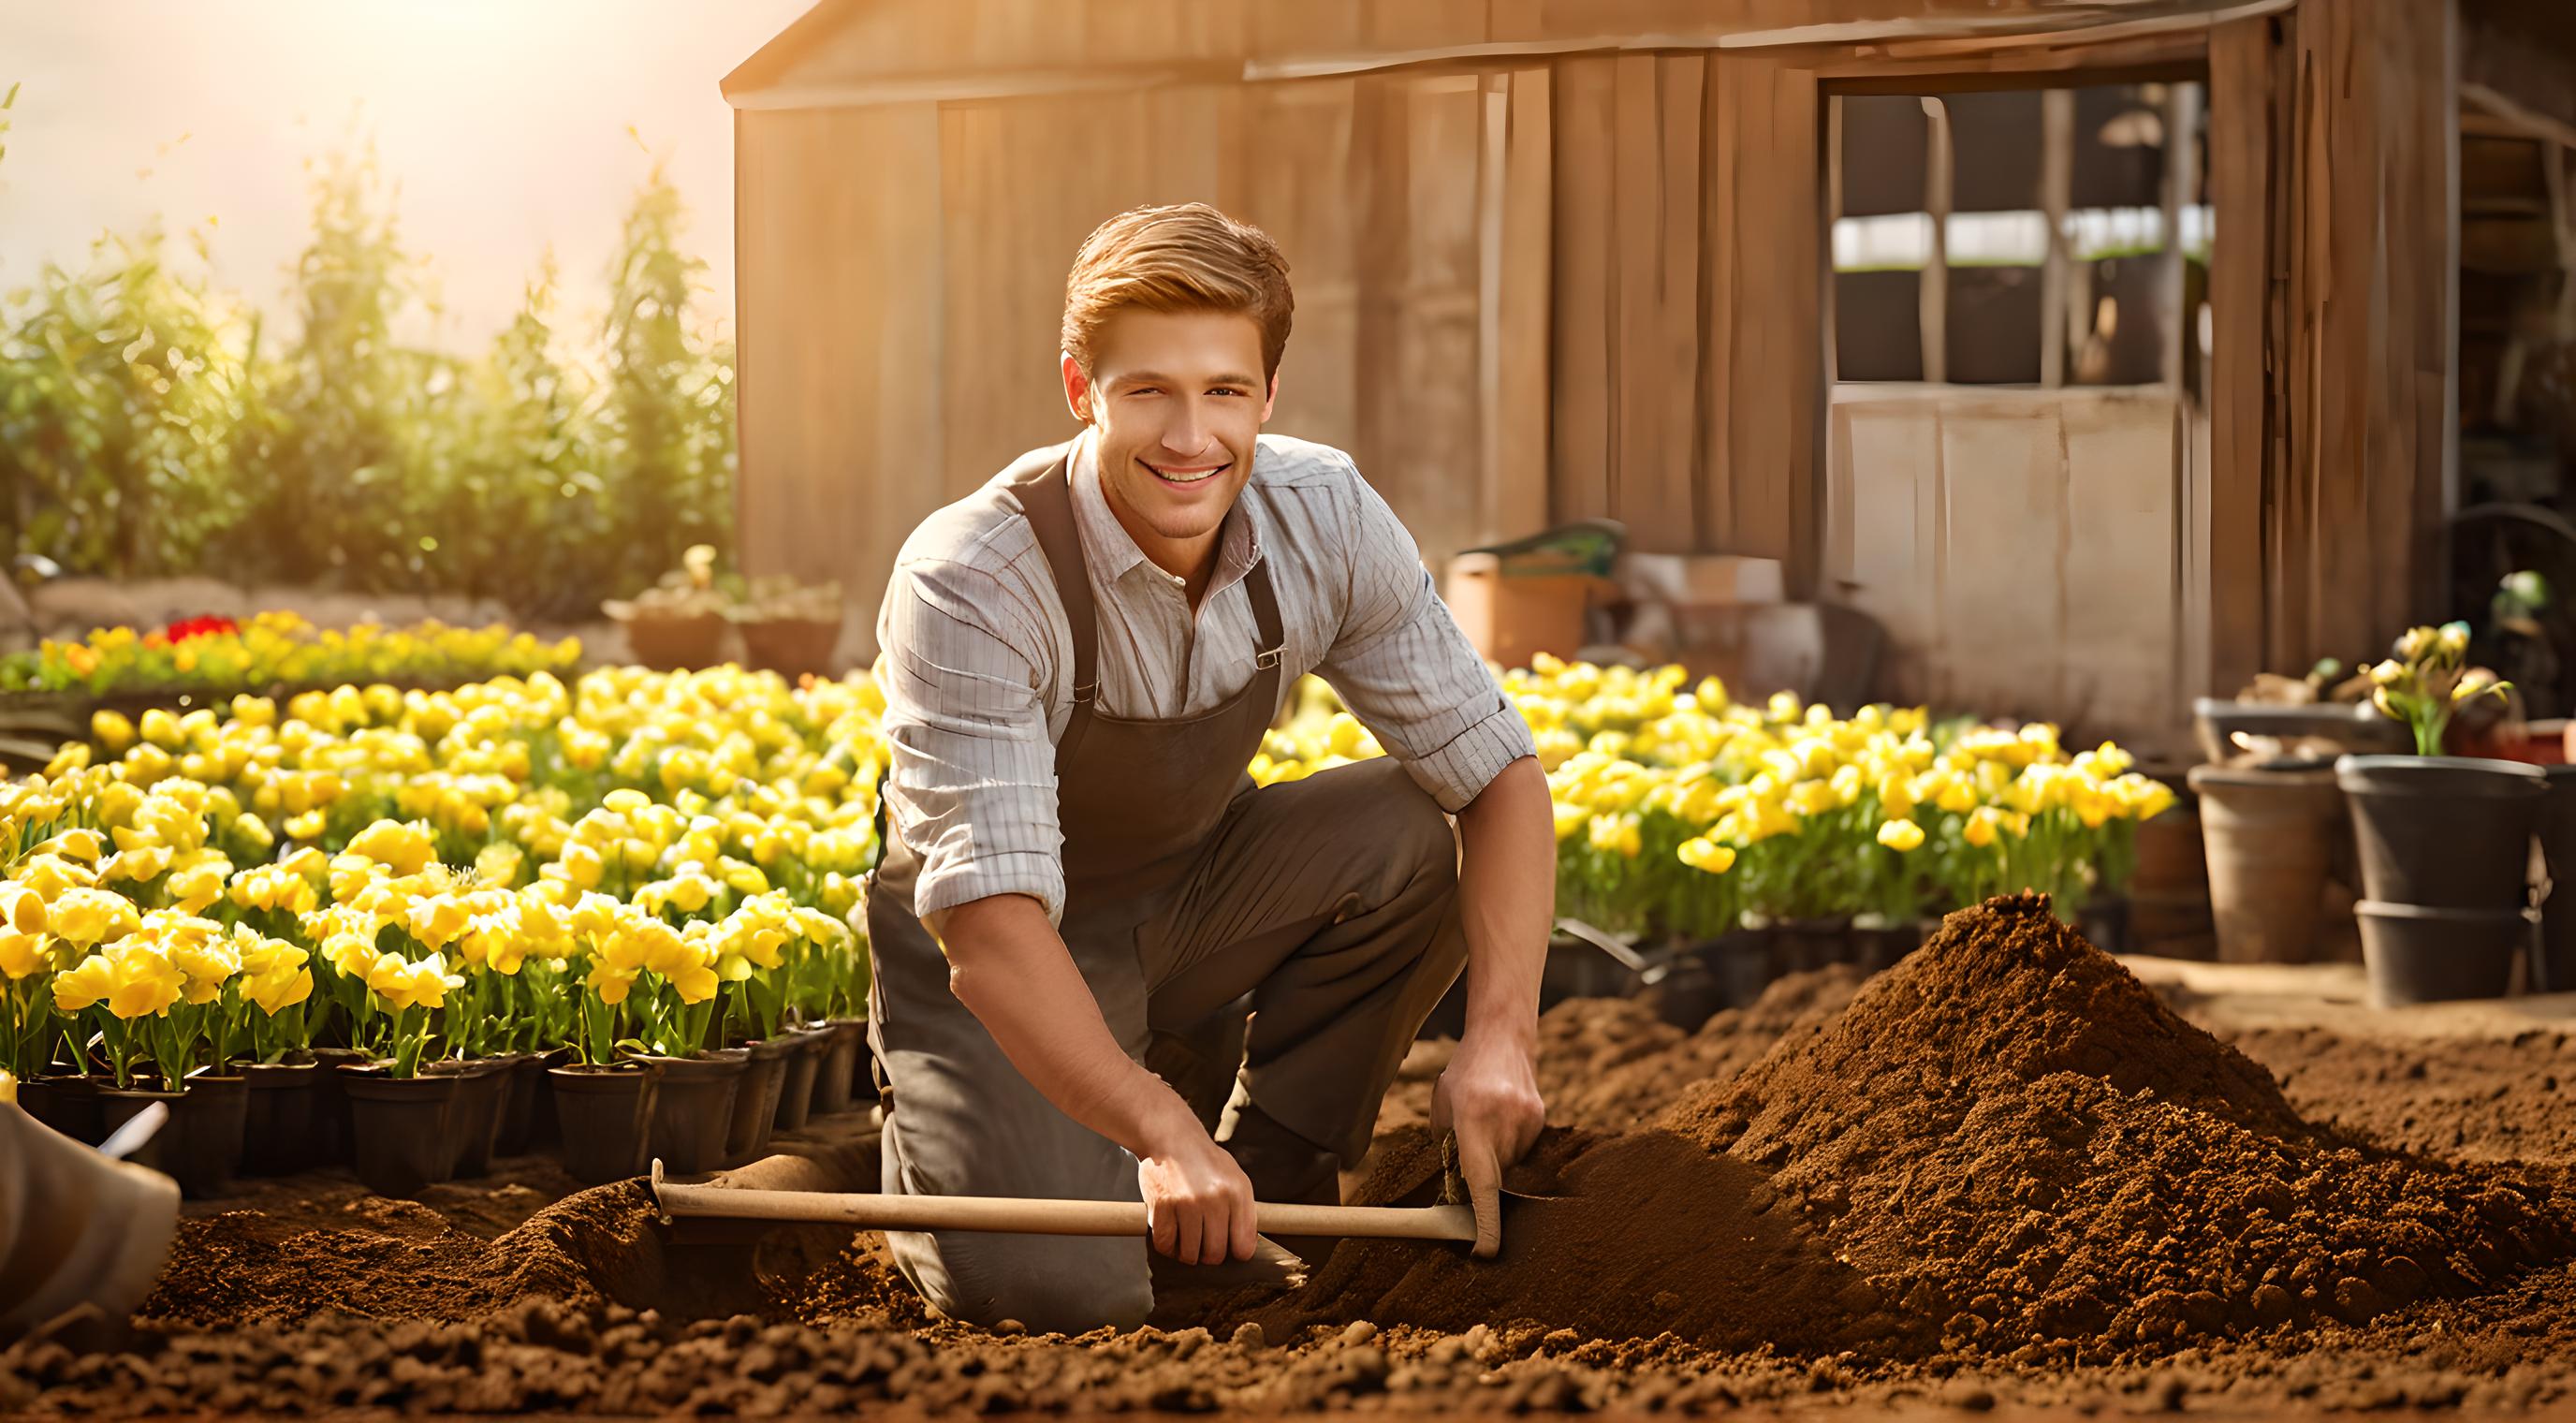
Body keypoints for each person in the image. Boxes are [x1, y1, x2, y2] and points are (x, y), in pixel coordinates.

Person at [866, 202, 1552, 1333]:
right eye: (1149, 392)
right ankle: (951, 1135)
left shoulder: (1322, 512)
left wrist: (1501, 1041)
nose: (1191, 437)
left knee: (1405, 830)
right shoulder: (975, 575)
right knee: (1051, 1293)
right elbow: (989, 931)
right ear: (1081, 390)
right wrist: (1159, 1129)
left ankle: (1271, 1162)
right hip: (1000, 964)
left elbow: (1499, 776)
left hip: (1185, 905)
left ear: (1268, 394)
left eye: (1224, 391)